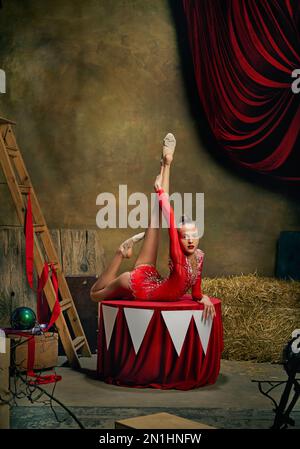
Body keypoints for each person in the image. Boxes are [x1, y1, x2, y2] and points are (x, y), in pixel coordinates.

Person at [90, 134, 216, 320]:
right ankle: (120, 254)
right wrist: (160, 192)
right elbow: (170, 218)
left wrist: (203, 298)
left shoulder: (199, 256)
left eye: (193, 234)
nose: (190, 239)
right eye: (184, 236)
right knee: (95, 295)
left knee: (157, 212)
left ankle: (165, 164)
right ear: (178, 239)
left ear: (199, 235)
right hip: (138, 287)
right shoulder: (178, 255)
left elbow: (196, 292)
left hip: (151, 279)